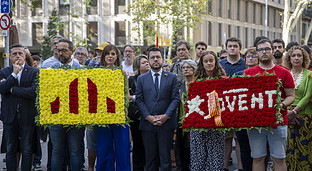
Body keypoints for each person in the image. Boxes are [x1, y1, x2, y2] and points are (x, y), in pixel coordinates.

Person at [243, 38, 295, 171]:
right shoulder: (248, 73)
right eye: (260, 50)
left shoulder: (284, 72)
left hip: (278, 121)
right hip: (256, 123)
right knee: (258, 157)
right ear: (257, 53)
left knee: (279, 158)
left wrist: (280, 106)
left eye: (267, 49)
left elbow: (291, 96)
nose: (264, 52)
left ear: (272, 51)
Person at [136, 46, 180, 170]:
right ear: (148, 60)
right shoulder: (141, 79)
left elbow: (176, 98)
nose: (155, 60)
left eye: (158, 57)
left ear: (162, 59)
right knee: (150, 160)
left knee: (166, 159)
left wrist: (166, 116)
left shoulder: (172, 77)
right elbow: (139, 100)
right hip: (148, 124)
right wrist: (148, 117)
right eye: (152, 57)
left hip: (166, 124)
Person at [0, 43, 39, 171]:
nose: (17, 56)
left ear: (25, 55)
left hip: (28, 115)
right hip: (9, 116)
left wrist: (12, 90)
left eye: (20, 54)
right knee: (11, 148)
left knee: (27, 149)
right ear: (10, 56)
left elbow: (33, 92)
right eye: (14, 54)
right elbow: (2, 89)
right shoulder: (4, 72)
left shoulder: (34, 72)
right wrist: (13, 75)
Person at [50, 39, 85, 171]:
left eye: (64, 50)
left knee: (75, 151)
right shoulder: (49, 70)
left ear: (72, 51)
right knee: (57, 151)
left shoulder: (82, 70)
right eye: (58, 50)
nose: (60, 53)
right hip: (56, 118)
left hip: (76, 118)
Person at [96, 44, 131, 171]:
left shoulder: (122, 73)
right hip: (102, 115)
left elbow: (126, 94)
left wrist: (125, 111)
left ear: (117, 57)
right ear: (103, 56)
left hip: (119, 115)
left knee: (122, 147)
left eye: (113, 54)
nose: (110, 56)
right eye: (107, 54)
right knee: (104, 147)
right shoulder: (96, 72)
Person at [190, 51, 226, 171]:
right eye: (206, 61)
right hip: (199, 124)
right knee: (198, 157)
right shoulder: (196, 80)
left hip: (217, 122)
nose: (209, 63)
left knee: (216, 156)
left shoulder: (223, 79)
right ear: (202, 63)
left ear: (216, 62)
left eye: (211, 61)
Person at [283, 46, 312, 170]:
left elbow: (308, 96)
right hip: (285, 115)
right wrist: (287, 112)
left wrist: (294, 112)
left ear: (304, 58)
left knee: (304, 149)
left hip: (304, 116)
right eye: (293, 55)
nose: (296, 58)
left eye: (299, 55)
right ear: (289, 58)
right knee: (286, 148)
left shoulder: (310, 74)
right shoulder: (285, 74)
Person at [128, 55, 150, 171]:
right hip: (137, 116)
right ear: (137, 66)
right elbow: (128, 97)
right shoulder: (132, 79)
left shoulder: (152, 78)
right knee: (137, 144)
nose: (147, 64)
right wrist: (138, 97)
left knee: (150, 145)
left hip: (151, 115)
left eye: (147, 62)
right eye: (143, 63)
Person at [175, 59, 197, 171]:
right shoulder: (179, 85)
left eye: (188, 67)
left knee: (195, 151)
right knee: (182, 149)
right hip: (181, 122)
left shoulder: (199, 83)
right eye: (183, 68)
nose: (185, 70)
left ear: (194, 69)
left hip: (197, 121)